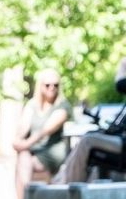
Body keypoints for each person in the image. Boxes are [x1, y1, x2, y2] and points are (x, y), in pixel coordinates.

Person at [11, 68, 70, 199]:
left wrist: (25, 144)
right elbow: (23, 127)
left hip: (53, 152)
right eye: (48, 85)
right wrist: (18, 140)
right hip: (32, 152)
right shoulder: (32, 105)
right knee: (23, 159)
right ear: (40, 86)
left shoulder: (63, 106)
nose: (52, 88)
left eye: (55, 85)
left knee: (23, 160)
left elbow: (46, 130)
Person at [52, 56, 126, 184]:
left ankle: (69, 188)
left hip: (123, 143)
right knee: (88, 141)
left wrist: (123, 65)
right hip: (120, 139)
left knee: (87, 141)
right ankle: (61, 182)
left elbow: (121, 84)